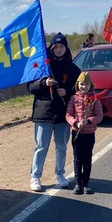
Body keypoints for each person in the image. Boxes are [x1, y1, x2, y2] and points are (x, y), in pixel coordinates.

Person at [27, 33, 81, 192]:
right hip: (43, 113)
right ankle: (35, 176)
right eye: (55, 47)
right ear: (51, 48)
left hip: (63, 114)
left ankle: (60, 174)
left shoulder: (72, 68)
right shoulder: (42, 66)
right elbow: (30, 87)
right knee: (41, 146)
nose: (58, 49)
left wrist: (68, 93)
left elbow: (80, 89)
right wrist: (44, 82)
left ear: (66, 48)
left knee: (61, 146)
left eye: (61, 46)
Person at [66, 72, 103, 195]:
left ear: (90, 85)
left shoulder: (95, 99)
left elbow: (99, 116)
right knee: (77, 159)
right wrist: (75, 123)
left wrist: (88, 121)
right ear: (78, 85)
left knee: (87, 159)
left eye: (86, 84)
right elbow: (68, 115)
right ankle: (78, 183)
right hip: (77, 133)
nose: (84, 87)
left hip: (89, 133)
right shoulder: (73, 98)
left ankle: (86, 183)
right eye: (82, 84)